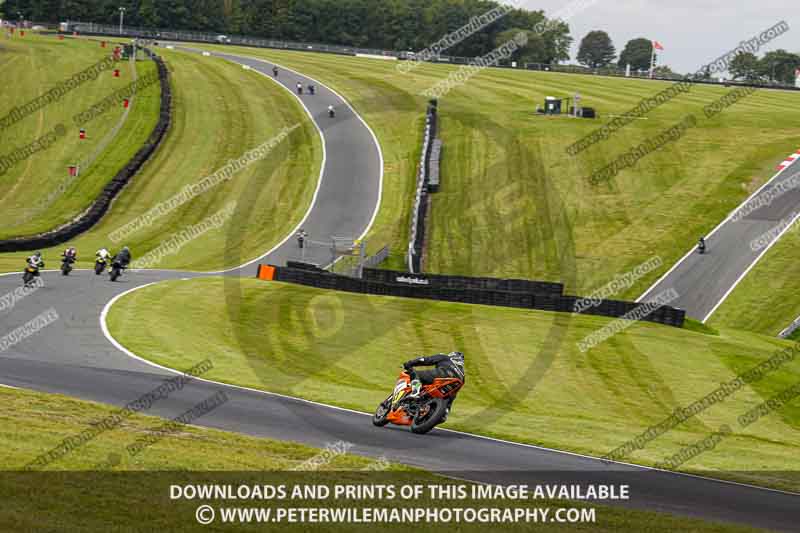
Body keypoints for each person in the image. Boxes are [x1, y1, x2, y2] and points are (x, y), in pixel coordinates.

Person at [403, 351, 465, 418]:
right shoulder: (463, 375)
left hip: (442, 374)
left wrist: (410, 363)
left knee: (416, 374)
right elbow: (454, 394)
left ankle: (415, 392)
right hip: (452, 385)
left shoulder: (446, 357)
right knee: (451, 394)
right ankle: (445, 411)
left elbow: (425, 360)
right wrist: (448, 407)